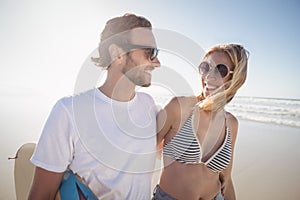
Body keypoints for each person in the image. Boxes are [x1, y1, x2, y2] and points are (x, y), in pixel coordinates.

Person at [28, 13, 161, 200]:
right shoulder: (69, 111)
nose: (157, 63)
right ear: (118, 54)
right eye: (150, 53)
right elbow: (41, 195)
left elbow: (181, 141)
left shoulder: (149, 105)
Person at [153, 44, 248, 200]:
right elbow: (142, 155)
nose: (209, 76)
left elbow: (227, 179)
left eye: (220, 70)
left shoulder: (231, 123)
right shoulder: (178, 107)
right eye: (205, 68)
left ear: (235, 78)